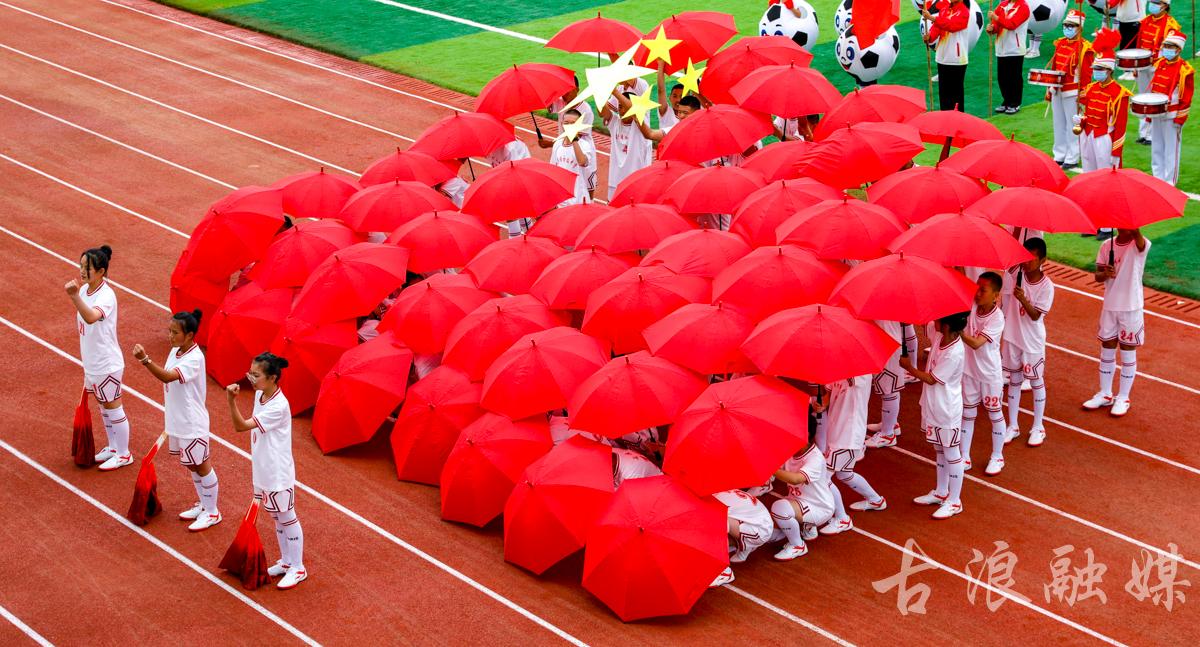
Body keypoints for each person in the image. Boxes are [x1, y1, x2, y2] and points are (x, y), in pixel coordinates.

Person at [131, 311, 220, 530]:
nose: (170, 336)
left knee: (202, 465)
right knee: (191, 464)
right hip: (178, 419)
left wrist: (145, 360)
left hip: (192, 422)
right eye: (169, 331)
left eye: (174, 332)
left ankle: (212, 511)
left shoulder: (195, 358)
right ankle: (204, 504)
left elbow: (168, 376)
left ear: (189, 335)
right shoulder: (176, 351)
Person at [225, 352, 307, 589]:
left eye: (256, 375)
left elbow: (241, 426)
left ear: (272, 378)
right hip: (263, 468)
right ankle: (286, 561)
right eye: (250, 372)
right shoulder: (261, 394)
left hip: (278, 472)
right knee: (276, 517)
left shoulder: (279, 406)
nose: (251, 378)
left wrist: (230, 401)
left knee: (287, 517)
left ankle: (298, 567)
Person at [66, 245, 131, 471]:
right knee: (103, 406)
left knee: (113, 407)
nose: (82, 271)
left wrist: (74, 297)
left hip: (107, 363)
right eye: (81, 265)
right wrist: (78, 295)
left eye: (88, 267)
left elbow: (92, 317)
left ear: (101, 271)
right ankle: (113, 447)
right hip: (93, 361)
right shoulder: (85, 290)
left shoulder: (107, 295)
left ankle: (124, 454)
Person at [901, 311, 968, 520]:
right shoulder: (940, 336)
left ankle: (955, 500)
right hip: (933, 405)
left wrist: (909, 367)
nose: (935, 322)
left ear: (946, 326)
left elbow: (931, 379)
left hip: (947, 409)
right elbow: (925, 322)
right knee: (939, 448)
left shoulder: (954, 352)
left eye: (939, 319)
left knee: (951, 452)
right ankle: (941, 491)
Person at [1084, 229, 1151, 416]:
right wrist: (1105, 273)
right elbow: (1097, 276)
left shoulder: (1139, 244)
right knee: (1107, 346)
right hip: (1110, 306)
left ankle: (1123, 397)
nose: (1123, 226)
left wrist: (1134, 226)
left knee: (1127, 349)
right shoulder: (1106, 246)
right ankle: (1105, 394)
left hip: (1131, 307)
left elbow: (1139, 239)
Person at [1003, 237, 1055, 446]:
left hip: (1032, 342)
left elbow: (1035, 316)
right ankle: (1013, 425)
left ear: (1043, 259)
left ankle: (1038, 426)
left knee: (1035, 382)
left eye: (1032, 258)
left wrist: (1023, 298)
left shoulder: (1047, 286)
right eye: (1025, 257)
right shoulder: (1017, 273)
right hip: (1012, 337)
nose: (1027, 262)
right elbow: (1008, 260)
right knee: (1014, 382)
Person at [821, 374, 886, 534]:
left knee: (823, 477)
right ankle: (875, 500)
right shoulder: (837, 367)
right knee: (844, 474)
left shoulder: (862, 373)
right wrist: (821, 405)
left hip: (848, 434)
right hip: (836, 431)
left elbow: (849, 380)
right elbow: (828, 392)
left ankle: (842, 519)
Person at [960, 273, 1009, 476]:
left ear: (996, 295)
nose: (978, 293)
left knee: (994, 413)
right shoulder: (971, 305)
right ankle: (964, 456)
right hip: (969, 371)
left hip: (989, 375)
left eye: (983, 290)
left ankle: (997, 456)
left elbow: (977, 343)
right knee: (968, 413)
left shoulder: (997, 318)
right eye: (977, 288)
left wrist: (958, 331)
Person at [769, 444, 835, 560]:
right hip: (801, 499)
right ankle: (808, 526)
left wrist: (769, 468)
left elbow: (796, 479)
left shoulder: (815, 457)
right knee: (771, 533)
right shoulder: (791, 450)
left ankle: (797, 546)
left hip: (819, 507)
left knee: (779, 508)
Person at [1046, 11, 1094, 169]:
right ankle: (1059, 154)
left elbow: (1087, 74)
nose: (1067, 28)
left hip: (1072, 91)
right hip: (1057, 89)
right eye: (1065, 25)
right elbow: (1055, 66)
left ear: (1079, 28)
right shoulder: (1060, 43)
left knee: (1072, 125)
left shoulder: (1085, 48)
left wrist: (1083, 94)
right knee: (1058, 123)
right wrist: (1049, 87)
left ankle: (1072, 156)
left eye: (1071, 26)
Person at [1133, 1, 1183, 144]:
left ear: (1165, 5)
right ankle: (1143, 132)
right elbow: (1139, 42)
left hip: (1157, 66)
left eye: (1157, 2)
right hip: (1142, 64)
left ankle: (1151, 134)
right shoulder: (1146, 20)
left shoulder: (1171, 25)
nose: (1152, 4)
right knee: (1142, 97)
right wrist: (1136, 65)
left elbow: (1171, 50)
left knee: (1154, 98)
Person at [1146, 31, 1192, 184]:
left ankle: (1169, 182)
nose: (1166, 49)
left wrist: (1180, 118)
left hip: (1172, 116)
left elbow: (1186, 98)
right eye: (1165, 46)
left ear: (1178, 49)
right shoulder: (1159, 64)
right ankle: (1157, 179)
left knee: (1171, 150)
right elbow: (1154, 89)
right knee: (1157, 147)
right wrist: (1149, 113)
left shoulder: (1185, 70)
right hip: (1157, 113)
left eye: (1170, 46)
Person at [865, 322, 919, 448]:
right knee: (888, 387)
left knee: (888, 388)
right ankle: (891, 423)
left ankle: (887, 435)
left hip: (887, 344)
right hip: (885, 341)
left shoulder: (881, 304)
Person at [1076, 57, 1133, 171]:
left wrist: (1116, 152)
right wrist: (1081, 120)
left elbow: (1121, 126)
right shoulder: (1090, 88)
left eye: (1100, 69)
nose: (1096, 71)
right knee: (1088, 169)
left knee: (1106, 173)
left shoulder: (1120, 93)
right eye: (1095, 68)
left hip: (1104, 137)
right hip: (1087, 134)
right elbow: (1087, 112)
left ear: (1109, 70)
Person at [710, 488, 773, 587]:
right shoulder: (721, 491)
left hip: (759, 530)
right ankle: (745, 548)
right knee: (722, 521)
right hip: (760, 522)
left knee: (715, 525)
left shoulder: (715, 500)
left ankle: (725, 572)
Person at [602, 88, 653, 198]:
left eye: (625, 107)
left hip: (635, 183)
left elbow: (633, 109)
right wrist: (601, 90)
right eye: (620, 107)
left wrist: (615, 91)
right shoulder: (614, 122)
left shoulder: (641, 124)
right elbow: (602, 111)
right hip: (615, 182)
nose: (623, 111)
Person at [923, 0, 973, 112]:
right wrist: (929, 37)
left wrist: (932, 18)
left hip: (957, 59)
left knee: (956, 94)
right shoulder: (944, 10)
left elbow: (952, 26)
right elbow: (937, 28)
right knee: (944, 93)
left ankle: (958, 121)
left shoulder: (964, 12)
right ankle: (945, 120)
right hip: (942, 58)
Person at [989, 0, 1031, 114]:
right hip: (1001, 49)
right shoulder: (1002, 5)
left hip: (1015, 49)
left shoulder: (1023, 7)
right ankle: (1006, 101)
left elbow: (1012, 24)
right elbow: (997, 25)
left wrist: (996, 18)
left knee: (1014, 78)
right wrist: (992, 29)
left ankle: (1015, 103)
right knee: (1002, 78)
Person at [549, 109, 596, 207]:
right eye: (566, 123)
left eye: (573, 124)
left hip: (579, 199)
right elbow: (553, 171)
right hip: (561, 199)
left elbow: (582, 162)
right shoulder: (557, 144)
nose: (570, 127)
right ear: (562, 124)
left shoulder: (585, 145)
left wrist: (574, 139)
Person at [637, 95, 701, 144]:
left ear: (697, 113)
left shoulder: (707, 130)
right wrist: (636, 117)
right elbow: (650, 134)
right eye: (679, 112)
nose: (681, 116)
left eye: (685, 113)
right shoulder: (675, 130)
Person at [1113, 0, 1148, 71]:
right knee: (1124, 44)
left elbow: (1113, 2)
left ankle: (1132, 69)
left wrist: (1110, 3)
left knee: (1132, 46)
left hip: (1134, 19)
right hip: (1124, 19)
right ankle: (1126, 68)